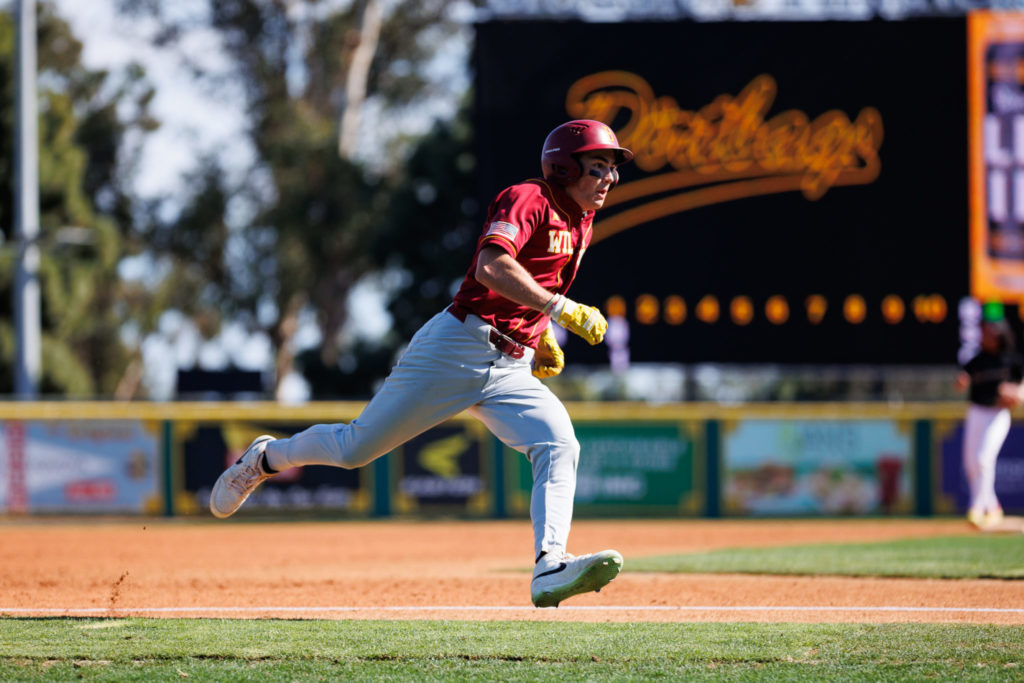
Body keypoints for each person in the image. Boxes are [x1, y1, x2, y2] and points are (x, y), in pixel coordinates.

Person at [210, 119, 632, 607]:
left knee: (559, 444)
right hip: (458, 347)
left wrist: (538, 337)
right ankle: (265, 457)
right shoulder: (528, 197)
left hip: (510, 366)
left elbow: (537, 280)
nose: (610, 177)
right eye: (598, 166)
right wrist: (557, 310)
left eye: (612, 169)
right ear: (564, 167)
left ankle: (549, 565)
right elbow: (491, 267)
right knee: (354, 449)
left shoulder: (581, 220)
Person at [956, 312, 1023, 529]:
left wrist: (1017, 393)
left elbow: (1021, 389)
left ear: (1000, 335)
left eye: (989, 332)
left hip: (998, 414)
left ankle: (977, 508)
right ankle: (993, 507)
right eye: (983, 332)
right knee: (971, 464)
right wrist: (962, 382)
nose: (985, 336)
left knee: (984, 459)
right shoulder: (977, 360)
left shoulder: (1012, 360)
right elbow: (962, 380)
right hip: (977, 411)